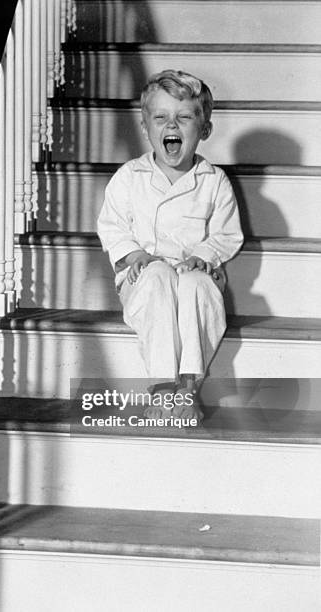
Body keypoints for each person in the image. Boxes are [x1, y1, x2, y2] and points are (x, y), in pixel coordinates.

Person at [97, 69, 243, 422]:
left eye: (184, 117)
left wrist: (202, 257)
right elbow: (112, 227)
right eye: (160, 118)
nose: (171, 126)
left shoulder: (214, 181)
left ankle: (188, 388)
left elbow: (227, 235)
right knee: (158, 275)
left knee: (195, 286)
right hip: (144, 276)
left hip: (196, 273)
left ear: (204, 129)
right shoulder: (129, 177)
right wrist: (136, 256)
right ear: (145, 127)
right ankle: (163, 389)